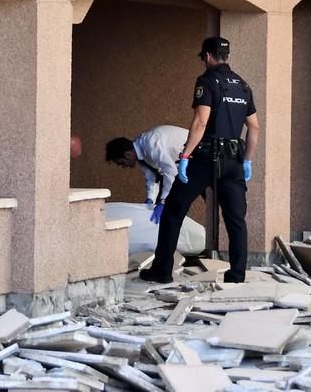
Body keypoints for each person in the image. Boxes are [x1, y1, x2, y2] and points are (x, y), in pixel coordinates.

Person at [139, 36, 259, 284]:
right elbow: (254, 128)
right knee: (236, 219)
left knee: (174, 211)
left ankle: (162, 270)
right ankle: (237, 275)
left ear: (207, 56)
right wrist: (247, 160)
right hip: (234, 160)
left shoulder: (207, 82)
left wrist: (184, 156)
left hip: (206, 158)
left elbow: (200, 122)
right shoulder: (243, 85)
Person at [105, 125, 188, 224]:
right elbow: (151, 176)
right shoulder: (139, 155)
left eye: (121, 163)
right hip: (183, 165)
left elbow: (170, 171)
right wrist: (150, 198)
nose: (123, 166)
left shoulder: (150, 145)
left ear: (127, 154)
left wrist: (163, 201)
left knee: (176, 205)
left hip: (199, 154)